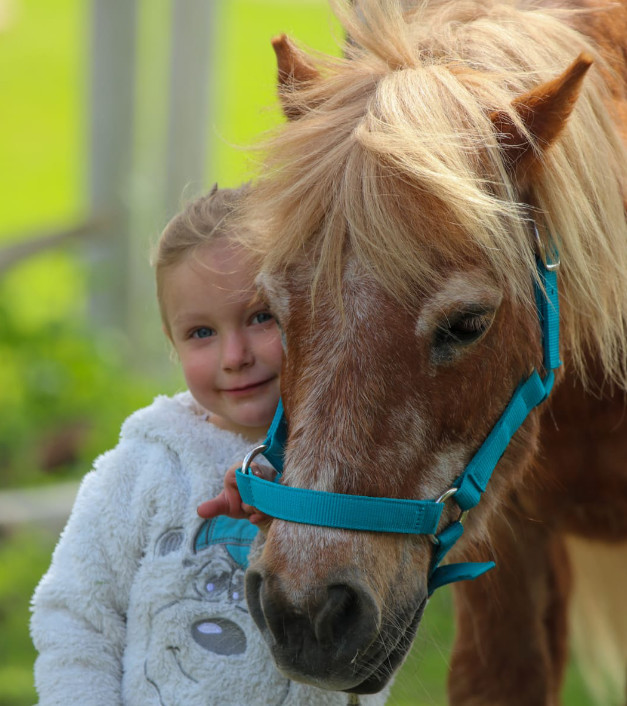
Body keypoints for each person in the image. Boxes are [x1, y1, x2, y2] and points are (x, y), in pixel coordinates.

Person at [30, 184, 391, 706]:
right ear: (170, 340)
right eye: (201, 332)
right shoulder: (141, 469)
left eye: (261, 316)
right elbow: (76, 613)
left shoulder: (348, 468)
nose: (234, 355)